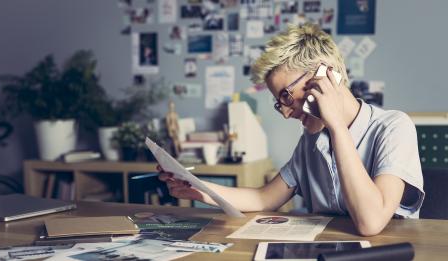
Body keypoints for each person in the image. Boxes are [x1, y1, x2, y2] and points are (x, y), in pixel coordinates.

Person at [158, 23, 424, 236]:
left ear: (326, 76)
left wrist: (336, 125)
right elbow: (263, 198)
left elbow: (371, 223)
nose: (285, 112)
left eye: (286, 96)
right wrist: (197, 188)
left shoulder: (394, 128)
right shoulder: (310, 141)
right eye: (279, 103)